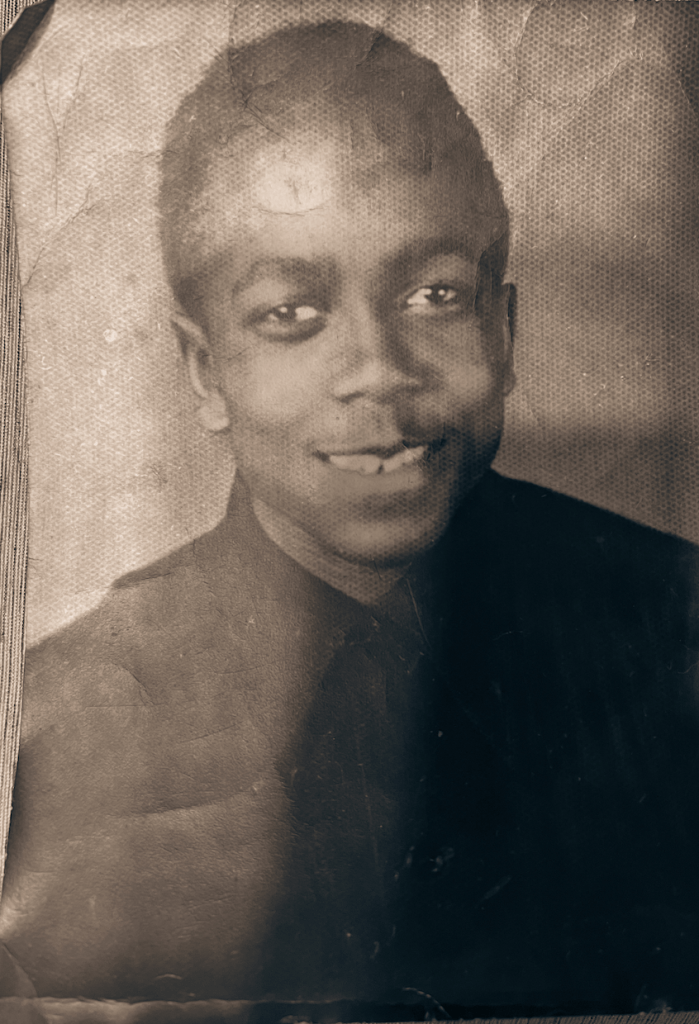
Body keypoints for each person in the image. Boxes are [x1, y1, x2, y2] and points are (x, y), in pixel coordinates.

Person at [1, 20, 699, 1017]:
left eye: (432, 293)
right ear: (206, 371)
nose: (378, 369)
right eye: (291, 314)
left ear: (502, 330)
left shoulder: (671, 630)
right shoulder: (68, 715)